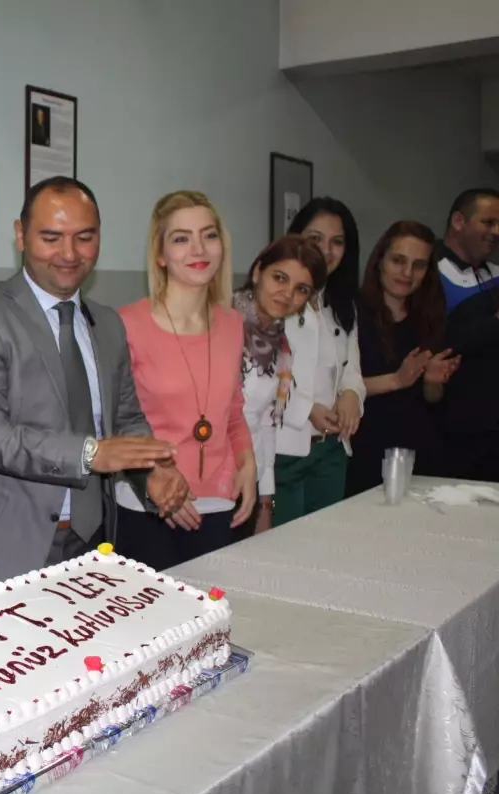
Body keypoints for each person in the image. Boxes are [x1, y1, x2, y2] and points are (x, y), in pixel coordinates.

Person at [0, 176, 188, 587]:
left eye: (84, 237)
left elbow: (125, 418)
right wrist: (90, 454)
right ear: (21, 235)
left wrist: (153, 470)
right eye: (51, 237)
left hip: (95, 538)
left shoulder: (108, 323)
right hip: (8, 542)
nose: (69, 254)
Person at [116, 190, 256, 571]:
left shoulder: (231, 323)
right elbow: (115, 423)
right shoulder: (127, 324)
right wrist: (155, 485)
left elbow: (233, 413)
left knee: (213, 627)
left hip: (220, 505)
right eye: (181, 238)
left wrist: (248, 461)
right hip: (148, 511)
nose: (199, 248)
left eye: (208, 235)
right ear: (161, 254)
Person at [347, 221, 460, 496]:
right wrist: (397, 380)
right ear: (380, 261)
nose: (407, 273)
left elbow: (433, 398)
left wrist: (433, 381)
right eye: (399, 261)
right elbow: (337, 390)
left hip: (421, 455)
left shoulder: (432, 317)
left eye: (419, 265)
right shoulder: (351, 313)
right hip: (365, 453)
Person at [273, 197, 366, 526]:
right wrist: (307, 408)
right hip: (284, 448)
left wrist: (352, 394)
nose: (327, 251)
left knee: (322, 546)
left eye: (337, 242)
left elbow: (351, 370)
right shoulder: (273, 299)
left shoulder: (342, 304)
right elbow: (263, 374)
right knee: (281, 553)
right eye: (315, 239)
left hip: (331, 450)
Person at [233, 235, 327, 534]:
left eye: (301, 289)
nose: (287, 294)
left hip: (251, 483)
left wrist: (265, 504)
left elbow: (267, 425)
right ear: (258, 271)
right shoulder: (223, 324)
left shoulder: (281, 345)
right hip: (213, 481)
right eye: (279, 278)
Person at [433, 188, 499, 481]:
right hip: (453, 431)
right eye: (488, 222)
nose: (496, 232)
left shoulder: (493, 272)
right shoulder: (427, 272)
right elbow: (439, 343)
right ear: (458, 221)